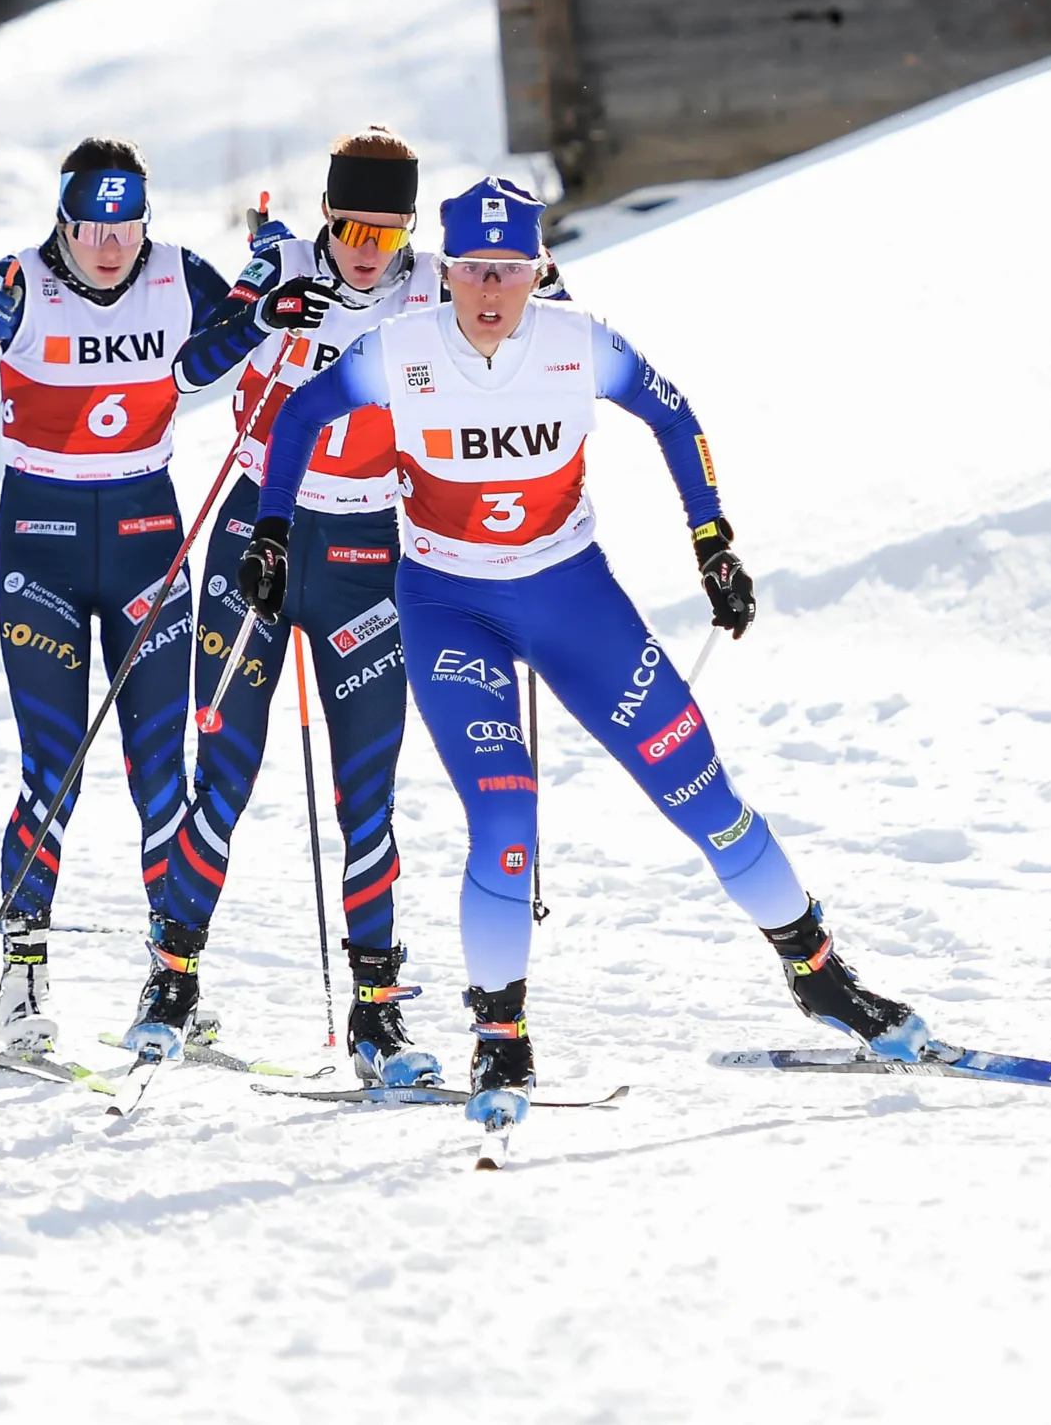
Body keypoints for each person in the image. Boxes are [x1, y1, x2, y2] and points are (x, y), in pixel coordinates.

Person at [239, 176, 930, 1127]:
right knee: (505, 824)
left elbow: (676, 418)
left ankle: (817, 971)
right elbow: (301, 417)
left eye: (509, 271)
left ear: (537, 272)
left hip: (572, 596)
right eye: (473, 270)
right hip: (450, 605)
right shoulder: (400, 351)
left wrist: (712, 541)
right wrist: (271, 531)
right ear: (447, 273)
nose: (489, 290)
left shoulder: (580, 344)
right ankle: (501, 1037)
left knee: (702, 789)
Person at [0, 137, 266, 1055]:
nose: (110, 246)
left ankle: (174, 979)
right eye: (92, 227)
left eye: (127, 225)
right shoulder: (21, 278)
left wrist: (268, 291)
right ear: (63, 221)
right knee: (53, 768)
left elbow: (243, 341)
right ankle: (23, 982)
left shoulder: (179, 274)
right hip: (41, 543)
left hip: (152, 540)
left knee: (165, 778)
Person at [127, 125, 447, 1080]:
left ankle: (376, 1012)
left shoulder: (437, 284)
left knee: (369, 794)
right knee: (223, 770)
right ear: (326, 214)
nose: (366, 250)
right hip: (255, 541)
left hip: (366, 550)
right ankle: (173, 979)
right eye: (352, 226)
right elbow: (188, 371)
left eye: (387, 234)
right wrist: (268, 312)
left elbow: (522, 318)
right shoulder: (280, 262)